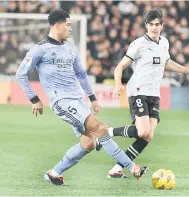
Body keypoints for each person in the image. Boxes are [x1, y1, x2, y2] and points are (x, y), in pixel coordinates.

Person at [15, 9, 148, 186]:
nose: (70, 28)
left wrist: (92, 97)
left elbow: (80, 73)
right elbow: (20, 74)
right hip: (61, 102)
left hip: (78, 100)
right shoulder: (40, 49)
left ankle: (54, 174)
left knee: (88, 144)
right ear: (57, 26)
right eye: (68, 25)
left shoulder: (70, 46)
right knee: (101, 128)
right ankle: (132, 167)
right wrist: (34, 99)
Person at [96, 7, 189, 178]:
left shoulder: (164, 43)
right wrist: (118, 84)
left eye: (157, 24)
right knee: (142, 131)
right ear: (146, 25)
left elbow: (167, 63)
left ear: (162, 25)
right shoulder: (138, 44)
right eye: (151, 24)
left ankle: (117, 169)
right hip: (138, 91)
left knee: (148, 136)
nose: (154, 27)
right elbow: (120, 66)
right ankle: (107, 132)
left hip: (154, 94)